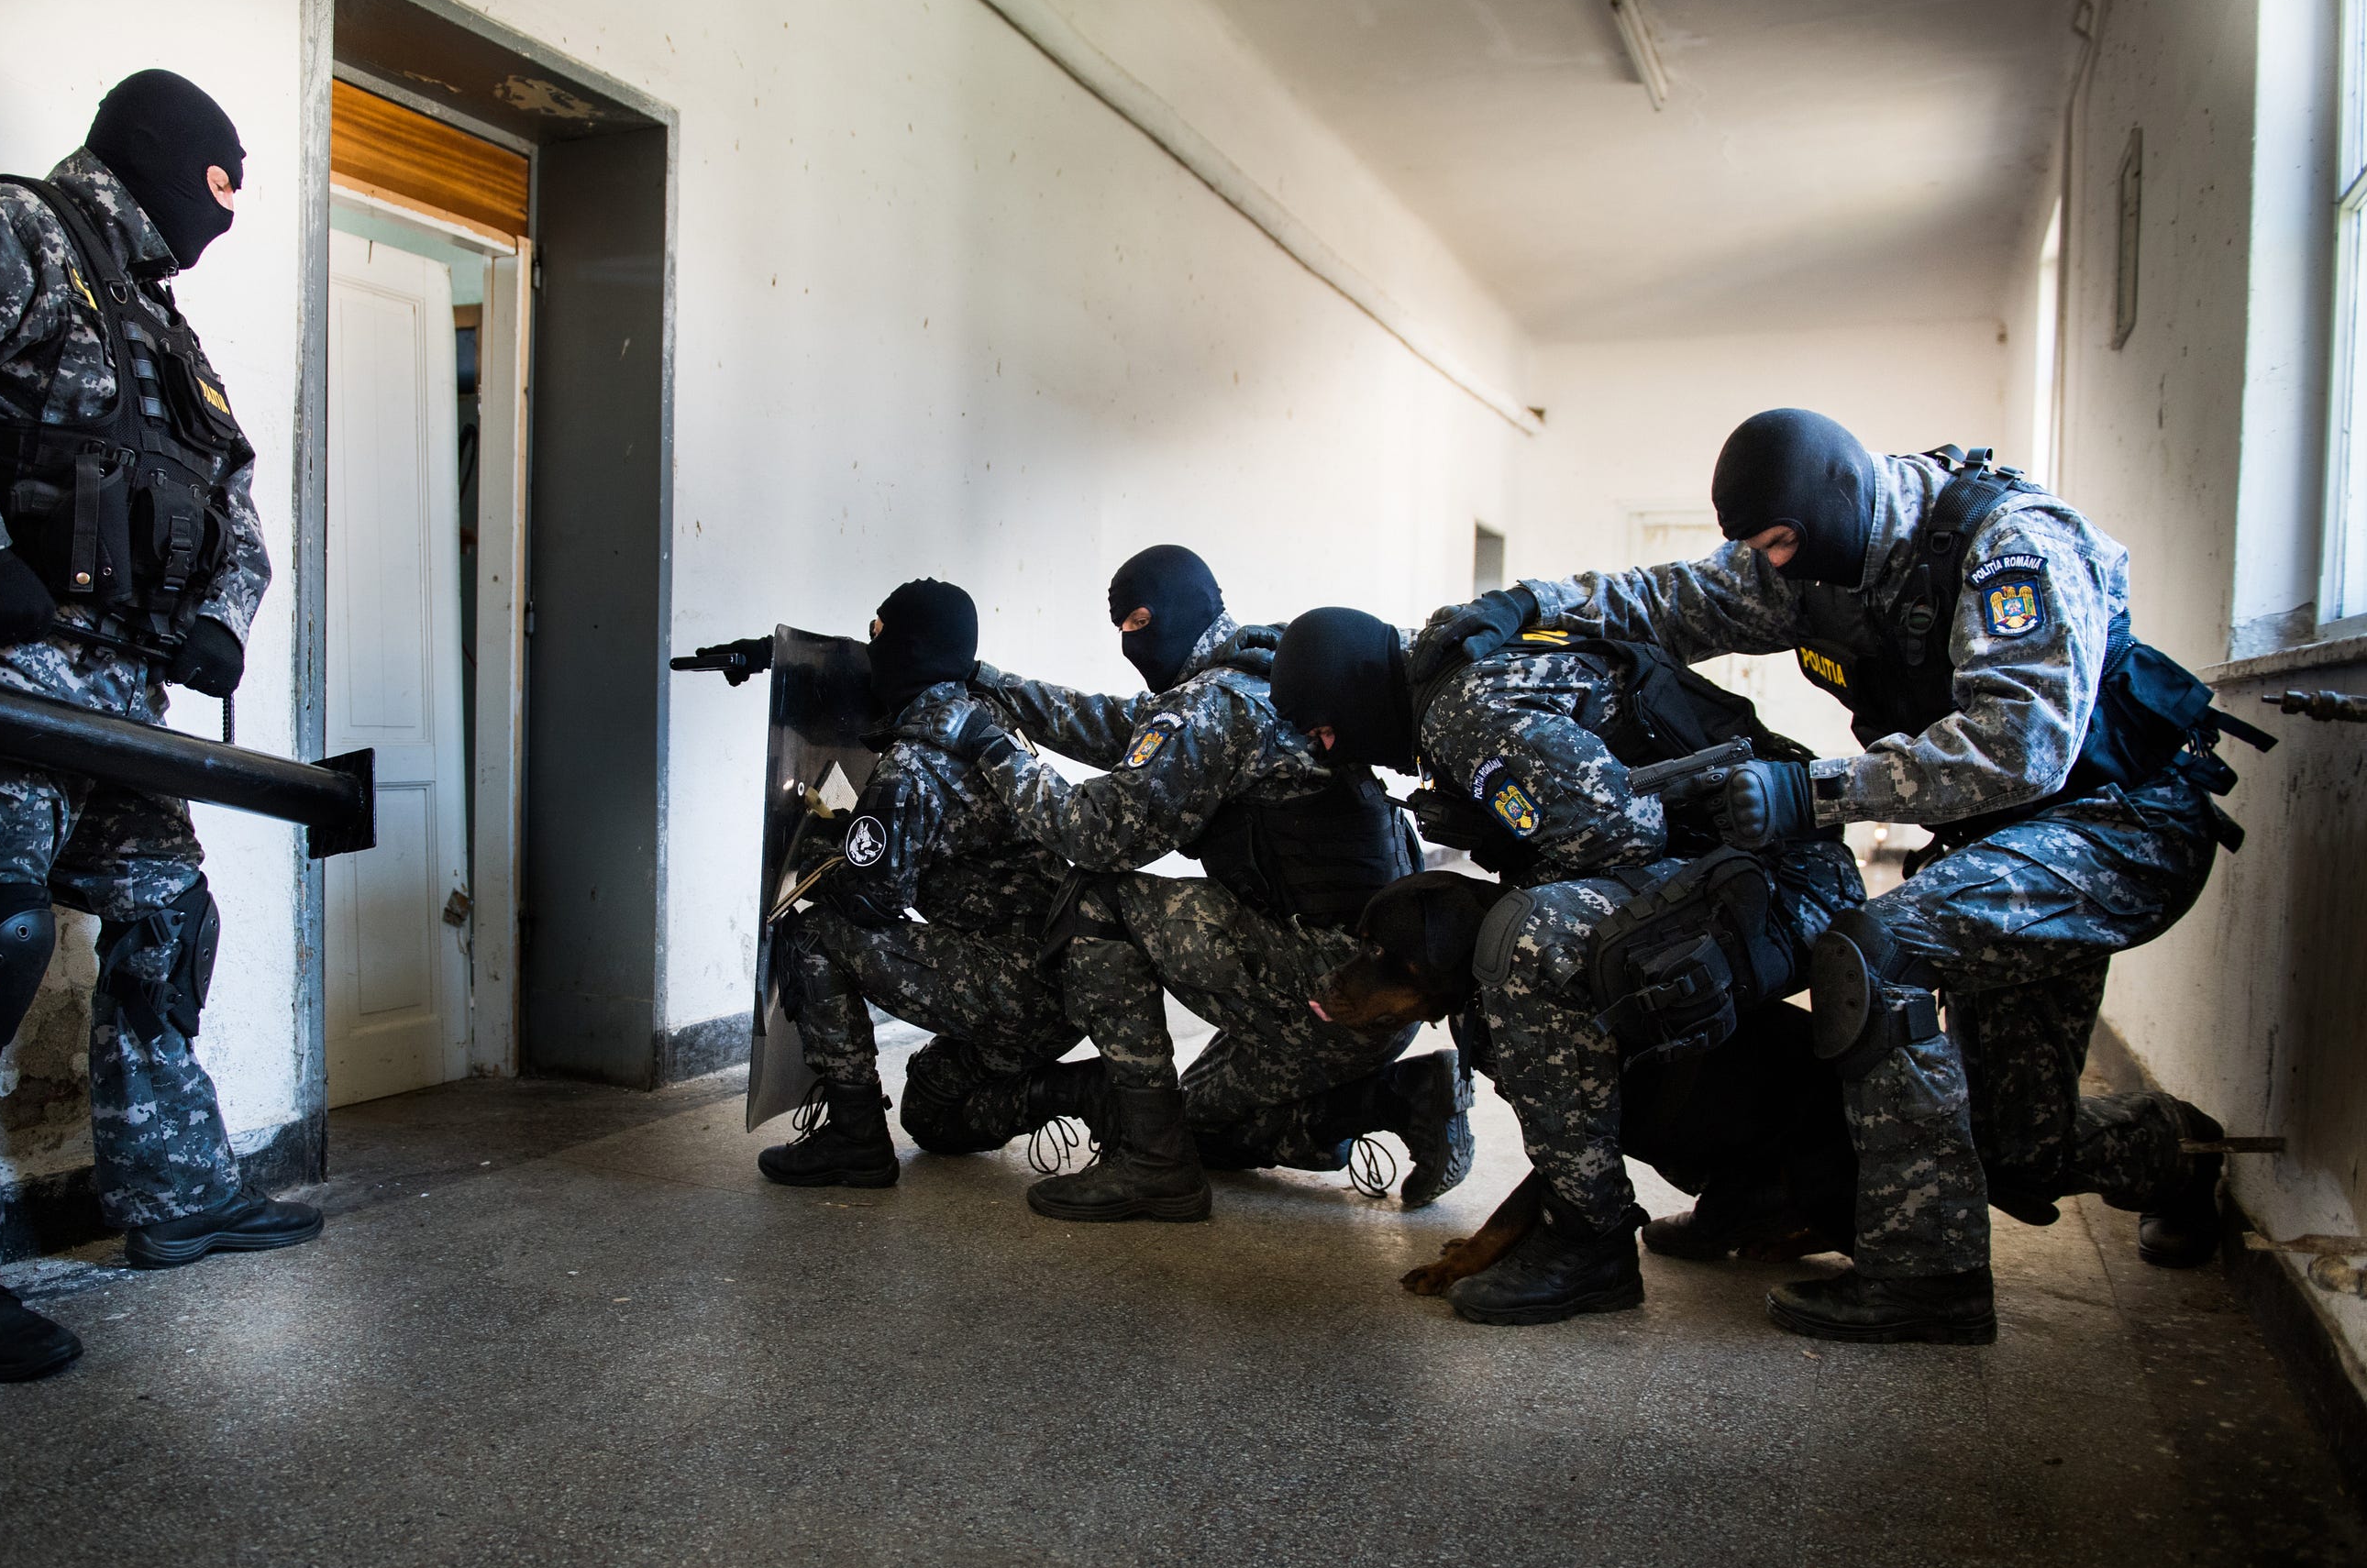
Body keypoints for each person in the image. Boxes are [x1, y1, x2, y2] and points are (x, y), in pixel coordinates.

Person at [1413, 408, 2261, 1343]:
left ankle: (1928, 1281)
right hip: (2005, 840)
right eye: (1758, 549)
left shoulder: (2013, 544)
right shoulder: (1809, 563)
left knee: (1878, 951)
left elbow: (2021, 745)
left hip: (2121, 824)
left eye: (1779, 543)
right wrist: (1525, 605)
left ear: (1840, 502)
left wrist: (1810, 792)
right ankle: (2178, 1152)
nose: (1770, 565)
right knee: (2017, 1148)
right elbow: (1666, 600)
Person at [0, 71, 319, 1383]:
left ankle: (179, 1194)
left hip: (120, 702)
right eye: (220, 181)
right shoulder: (6, 233)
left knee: (168, 921)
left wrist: (223, 617)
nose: (227, 210)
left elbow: (237, 504)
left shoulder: (164, 333)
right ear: (163, 156)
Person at [1270, 604, 1863, 1322]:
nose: (1330, 749)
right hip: (1743, 863)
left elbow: (1623, 835)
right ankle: (1741, 1196)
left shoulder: (1465, 710)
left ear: (1355, 695)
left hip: (1785, 880)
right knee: (1518, 944)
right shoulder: (1454, 673)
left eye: (1325, 730)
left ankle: (1588, 1240)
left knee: (1527, 943)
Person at [909, 546, 1466, 1224]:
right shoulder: (1262, 669)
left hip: (1329, 992)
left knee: (1097, 898)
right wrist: (986, 682)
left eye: (1136, 623)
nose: (1127, 642)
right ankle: (1405, 1097)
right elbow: (1115, 725)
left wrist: (987, 745)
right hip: (1373, 994)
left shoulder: (1212, 705)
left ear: (1169, 612)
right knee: (1192, 1122)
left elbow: (1095, 833)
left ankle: (1153, 1167)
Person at [756, 580, 1091, 1187]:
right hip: (1068, 990)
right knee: (931, 1115)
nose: (870, 647)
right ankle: (1083, 1090)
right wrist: (776, 660)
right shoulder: (988, 722)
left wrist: (824, 849)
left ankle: (854, 1137)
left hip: (1012, 991)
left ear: (906, 650)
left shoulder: (911, 765)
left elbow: (872, 898)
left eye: (877, 633)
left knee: (813, 930)